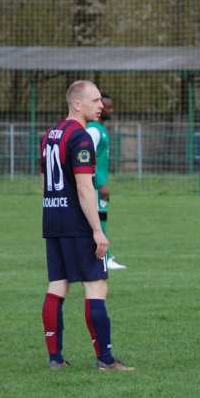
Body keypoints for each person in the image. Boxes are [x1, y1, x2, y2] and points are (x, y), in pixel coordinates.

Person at [40, 80, 134, 372]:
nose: (101, 106)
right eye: (95, 101)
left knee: (58, 285)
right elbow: (84, 187)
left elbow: (47, 180)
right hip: (76, 222)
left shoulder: (49, 135)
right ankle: (105, 360)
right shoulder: (80, 138)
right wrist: (97, 229)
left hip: (52, 218)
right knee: (96, 285)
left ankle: (55, 358)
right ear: (77, 104)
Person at [85, 93, 126, 271]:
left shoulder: (100, 129)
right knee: (98, 220)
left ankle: (100, 256)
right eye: (107, 107)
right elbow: (86, 158)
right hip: (93, 185)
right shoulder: (93, 130)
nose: (110, 110)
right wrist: (100, 184)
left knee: (100, 219)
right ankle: (104, 258)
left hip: (97, 183)